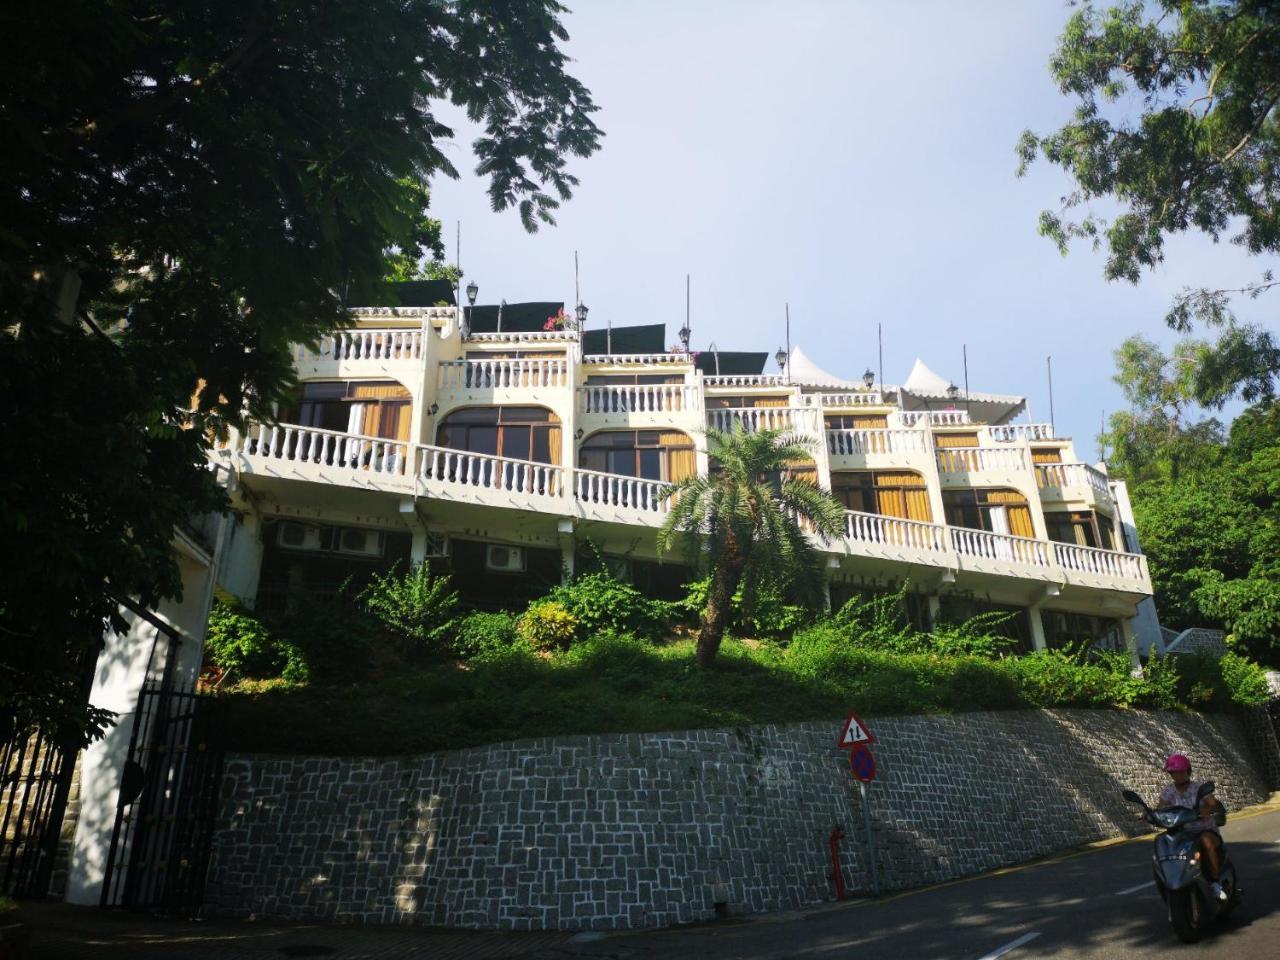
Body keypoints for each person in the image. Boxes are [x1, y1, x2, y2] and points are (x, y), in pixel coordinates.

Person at [1156, 753, 1228, 901]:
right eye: (1174, 773)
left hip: (1204, 829)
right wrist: (1150, 814)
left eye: (1180, 772)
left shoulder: (1198, 788)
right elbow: (1160, 808)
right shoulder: (1168, 791)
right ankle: (1171, 879)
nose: (1177, 776)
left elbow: (1213, 804)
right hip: (1181, 832)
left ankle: (1215, 882)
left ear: (1188, 771)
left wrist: (1205, 811)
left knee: (1206, 841)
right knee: (1162, 842)